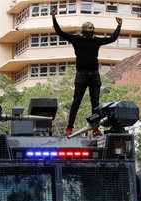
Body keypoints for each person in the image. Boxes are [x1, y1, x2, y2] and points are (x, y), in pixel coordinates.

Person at [51, 8, 122, 137]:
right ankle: (69, 128)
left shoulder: (96, 41)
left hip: (94, 75)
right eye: (90, 28)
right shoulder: (76, 40)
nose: (92, 30)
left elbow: (112, 38)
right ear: (84, 29)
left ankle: (95, 128)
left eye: (93, 28)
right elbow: (59, 32)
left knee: (95, 103)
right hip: (81, 75)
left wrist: (119, 26)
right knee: (76, 101)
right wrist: (54, 18)